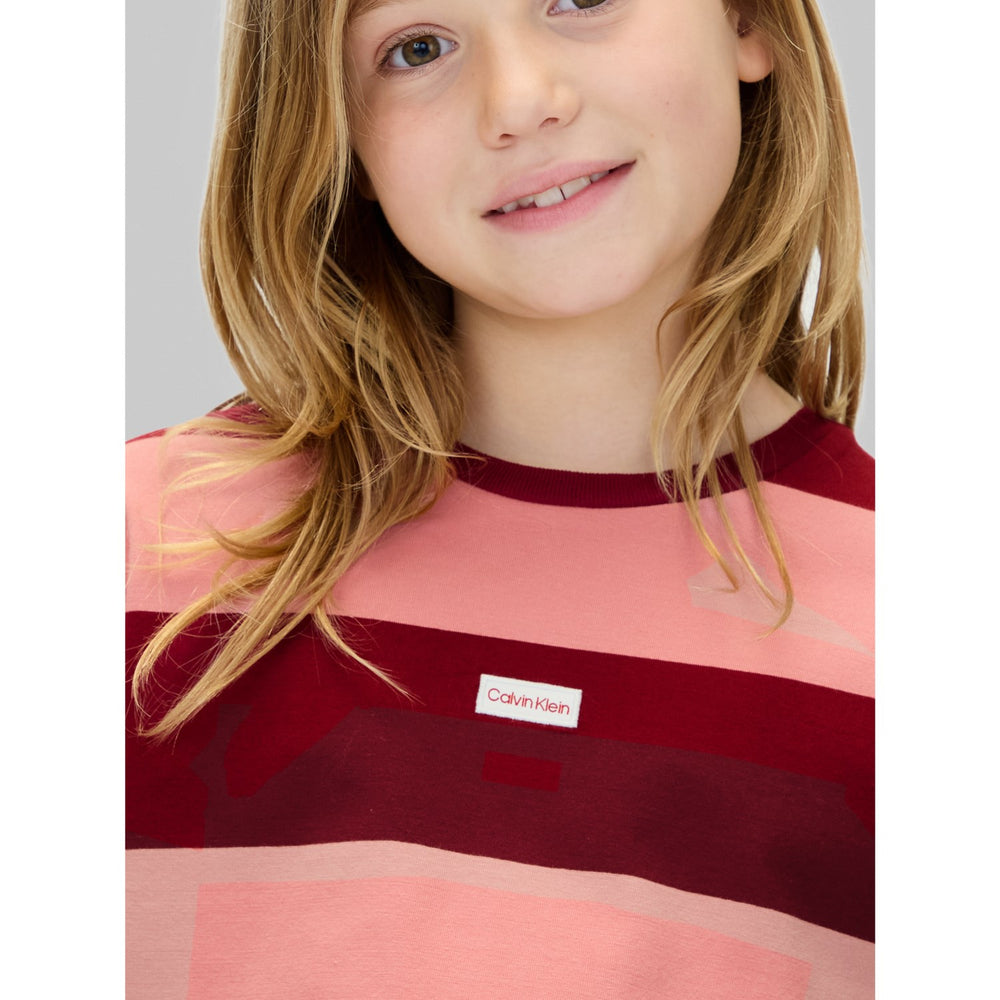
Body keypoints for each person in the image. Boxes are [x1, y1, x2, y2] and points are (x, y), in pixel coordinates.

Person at [126, 0, 873, 995]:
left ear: (747, 20)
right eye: (416, 49)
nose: (520, 101)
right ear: (337, 134)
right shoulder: (121, 557)